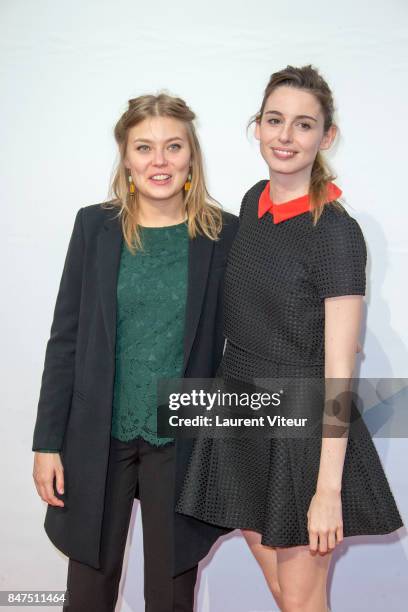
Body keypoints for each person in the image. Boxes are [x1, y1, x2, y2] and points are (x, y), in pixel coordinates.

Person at [175, 66, 403, 612]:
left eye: (303, 125)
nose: (285, 136)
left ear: (326, 138)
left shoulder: (338, 234)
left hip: (304, 439)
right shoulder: (253, 202)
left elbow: (339, 369)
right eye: (274, 120)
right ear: (257, 127)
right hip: (244, 417)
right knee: (283, 594)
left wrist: (327, 491)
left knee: (302, 603)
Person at [32, 93, 239, 612]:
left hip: (183, 437)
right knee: (88, 593)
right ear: (126, 157)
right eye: (144, 148)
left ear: (191, 155)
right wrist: (46, 442)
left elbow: (246, 337)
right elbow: (66, 339)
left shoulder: (223, 233)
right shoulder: (93, 227)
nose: (159, 161)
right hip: (99, 431)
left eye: (173, 147)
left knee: (170, 595)